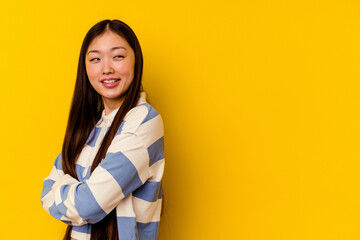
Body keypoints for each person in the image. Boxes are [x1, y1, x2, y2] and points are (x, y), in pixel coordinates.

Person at [40, 19, 165, 240]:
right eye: (95, 59)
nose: (106, 68)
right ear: (85, 67)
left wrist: (68, 187)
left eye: (118, 56)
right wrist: (79, 193)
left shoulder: (144, 121)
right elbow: (45, 192)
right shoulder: (91, 128)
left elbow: (89, 205)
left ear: (136, 60)